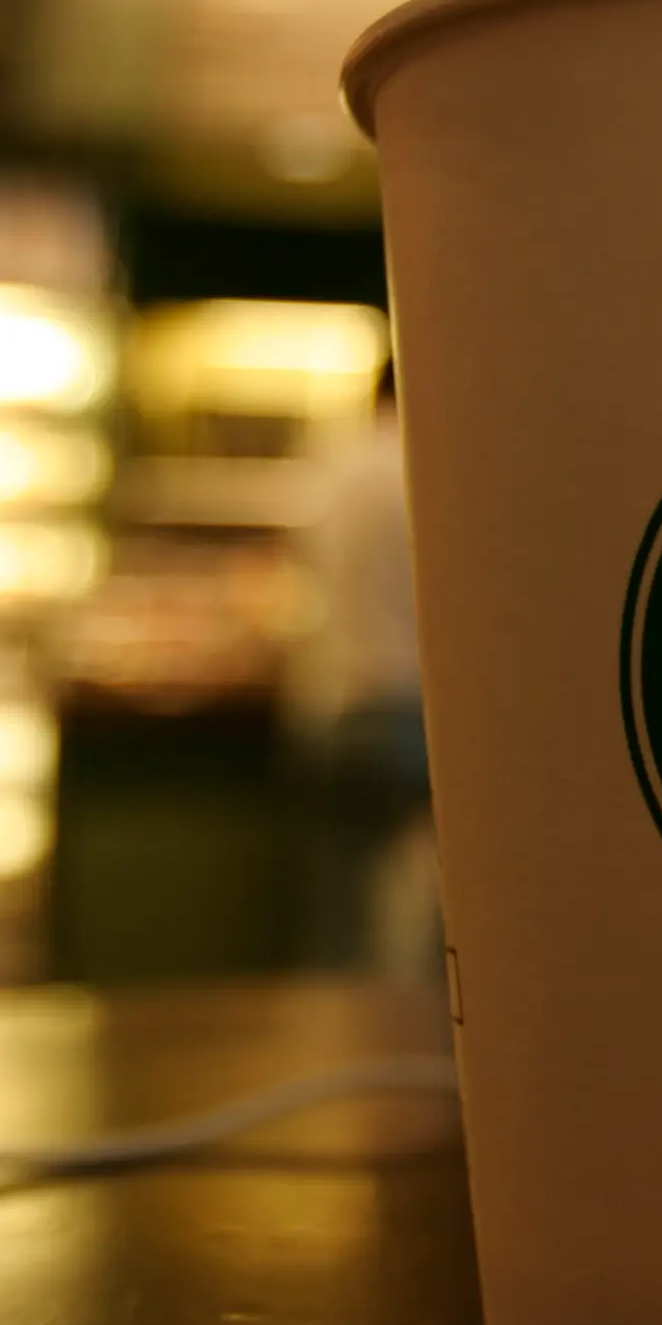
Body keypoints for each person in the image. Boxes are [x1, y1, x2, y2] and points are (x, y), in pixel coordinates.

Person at [285, 369, 435, 977]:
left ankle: (334, 1050)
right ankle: (417, 1053)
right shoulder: (428, 466)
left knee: (338, 921)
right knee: (432, 928)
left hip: (336, 710)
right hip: (413, 713)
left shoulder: (331, 465)